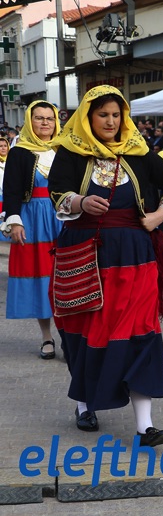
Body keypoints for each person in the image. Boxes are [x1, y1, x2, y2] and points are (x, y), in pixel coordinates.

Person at [48, 85, 163, 444]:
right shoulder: (70, 152)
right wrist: (80, 202)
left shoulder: (138, 152)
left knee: (141, 331)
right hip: (85, 255)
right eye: (103, 115)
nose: (110, 121)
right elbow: (57, 193)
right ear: (88, 117)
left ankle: (145, 425)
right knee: (86, 331)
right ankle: (84, 404)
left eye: (116, 115)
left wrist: (159, 215)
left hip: (135, 257)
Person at [1, 101, 62, 360]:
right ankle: (47, 336)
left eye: (50, 118)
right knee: (41, 277)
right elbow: (11, 189)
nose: (45, 122)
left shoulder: (65, 149)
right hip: (33, 220)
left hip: (63, 218)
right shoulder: (19, 152)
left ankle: (69, 335)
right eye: (39, 118)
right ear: (30, 120)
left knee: (65, 276)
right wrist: (15, 220)